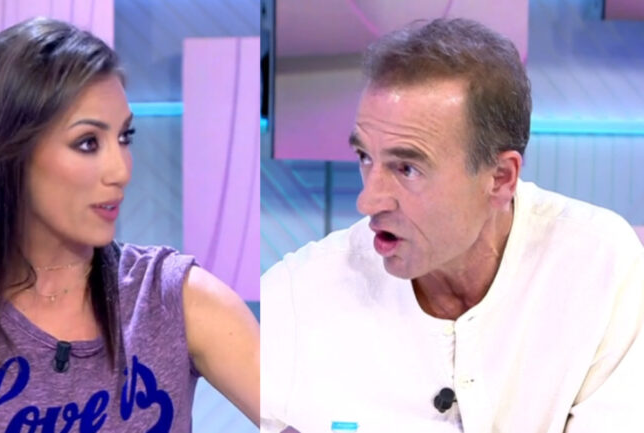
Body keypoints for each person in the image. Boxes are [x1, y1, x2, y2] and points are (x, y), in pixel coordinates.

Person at [0, 17, 259, 433]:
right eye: (88, 142)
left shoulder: (174, 297)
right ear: (9, 154)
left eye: (124, 138)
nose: (121, 170)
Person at [261, 18, 644, 433]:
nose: (368, 201)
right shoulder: (301, 294)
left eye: (407, 168)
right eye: (365, 158)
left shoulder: (602, 269)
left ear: (500, 178)